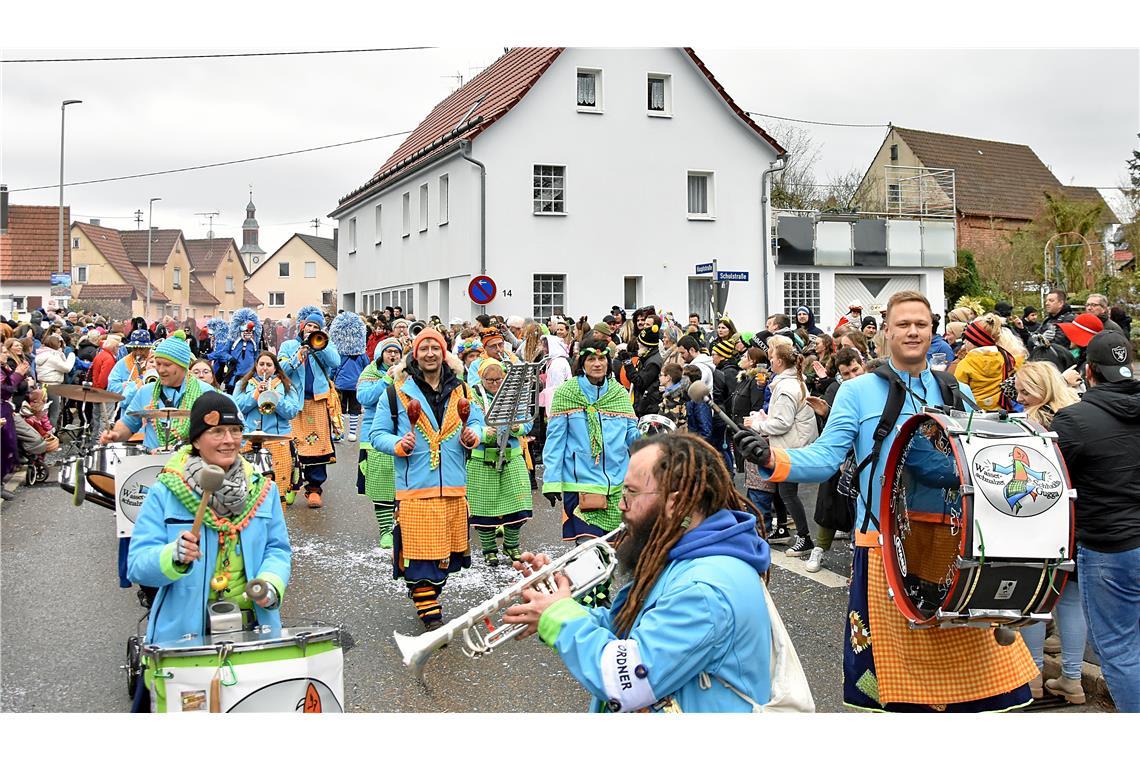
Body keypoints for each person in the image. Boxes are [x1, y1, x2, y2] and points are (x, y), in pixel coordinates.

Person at [735, 290, 1038, 711]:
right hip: (884, 545)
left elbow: (980, 466)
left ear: (932, 330)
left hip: (952, 546)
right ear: (886, 334)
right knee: (898, 699)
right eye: (903, 324)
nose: (912, 331)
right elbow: (825, 459)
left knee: (972, 692)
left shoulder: (958, 392)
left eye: (921, 324)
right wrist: (772, 457)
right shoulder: (857, 393)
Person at [502, 433, 775, 712]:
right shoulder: (687, 554)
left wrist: (559, 618)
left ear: (674, 502)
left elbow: (626, 680)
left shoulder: (701, 590)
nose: (621, 504)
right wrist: (556, 605)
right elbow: (632, 631)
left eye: (631, 492)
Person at [126, 393, 290, 709]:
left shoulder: (263, 490)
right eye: (217, 432)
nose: (229, 440)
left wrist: (271, 583)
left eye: (235, 431)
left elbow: (277, 549)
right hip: (184, 634)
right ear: (197, 440)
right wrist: (172, 556)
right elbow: (137, 563)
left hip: (254, 630)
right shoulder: (166, 490)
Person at [370, 327, 483, 630]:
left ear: (444, 352)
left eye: (435, 347)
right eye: (424, 348)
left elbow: (476, 421)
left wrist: (475, 435)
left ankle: (427, 596)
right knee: (420, 560)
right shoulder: (396, 391)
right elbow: (377, 433)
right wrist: (397, 444)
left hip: (454, 486)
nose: (430, 353)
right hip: (415, 488)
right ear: (415, 354)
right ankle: (430, 613)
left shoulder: (462, 389)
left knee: (444, 559)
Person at [1050, 331, 1140, 712]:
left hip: (1110, 548)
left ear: (1088, 371)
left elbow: (1052, 482)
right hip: (1117, 543)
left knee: (1120, 648)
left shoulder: (1075, 420)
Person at [1009, 361, 1087, 703]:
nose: (1020, 398)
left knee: (1034, 601)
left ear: (1043, 388)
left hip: (1040, 520)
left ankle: (1033, 679)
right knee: (1071, 602)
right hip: (1077, 520)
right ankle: (1072, 679)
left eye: (1026, 391)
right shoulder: (1079, 414)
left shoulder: (1030, 423)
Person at [543, 337, 640, 558]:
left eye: (602, 359)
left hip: (617, 484)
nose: (597, 364)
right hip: (581, 485)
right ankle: (586, 593)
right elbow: (555, 441)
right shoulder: (567, 393)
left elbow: (631, 436)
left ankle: (602, 592)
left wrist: (649, 438)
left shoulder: (618, 394)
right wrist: (551, 481)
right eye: (591, 359)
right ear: (582, 363)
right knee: (587, 552)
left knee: (612, 551)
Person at [746, 341, 819, 559]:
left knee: (787, 492)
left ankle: (804, 538)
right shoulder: (791, 382)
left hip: (791, 447)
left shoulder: (786, 388)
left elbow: (783, 423)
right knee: (781, 490)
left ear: (779, 361)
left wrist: (757, 425)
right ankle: (784, 530)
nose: (768, 360)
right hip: (792, 444)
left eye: (771, 357)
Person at [467, 359, 533, 566]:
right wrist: (484, 433)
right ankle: (488, 549)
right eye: (490, 380)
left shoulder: (513, 395)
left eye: (498, 379)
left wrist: (518, 429)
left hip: (511, 455)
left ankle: (512, 545)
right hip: (482, 457)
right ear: (481, 378)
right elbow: (465, 423)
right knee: (484, 506)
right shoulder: (471, 396)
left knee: (519, 503)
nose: (495, 384)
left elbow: (529, 421)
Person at [278, 306, 342, 509]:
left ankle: (314, 488)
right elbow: (281, 370)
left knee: (317, 445)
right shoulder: (289, 346)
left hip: (317, 401)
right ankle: (289, 486)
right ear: (301, 327)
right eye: (308, 326)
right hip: (294, 402)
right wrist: (299, 355)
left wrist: (319, 347)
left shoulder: (323, 344)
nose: (311, 329)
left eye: (316, 327)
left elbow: (335, 361)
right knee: (292, 446)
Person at [233, 351, 302, 506]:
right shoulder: (243, 384)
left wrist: (275, 398)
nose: (265, 368)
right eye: (261, 364)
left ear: (275, 368)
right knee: (248, 488)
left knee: (278, 489)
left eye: (269, 365)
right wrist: (255, 395)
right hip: (249, 440)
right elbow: (236, 407)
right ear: (256, 366)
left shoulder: (286, 385)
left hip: (278, 441)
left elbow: (292, 412)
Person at [357, 337, 403, 547]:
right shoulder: (370, 372)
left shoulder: (408, 373)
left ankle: (402, 527)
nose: (393, 355)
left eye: (396, 352)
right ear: (381, 354)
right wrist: (385, 380)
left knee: (405, 485)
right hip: (374, 437)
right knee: (382, 486)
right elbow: (364, 398)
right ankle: (385, 530)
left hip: (402, 435)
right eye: (389, 352)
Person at [953, 314, 1026, 411]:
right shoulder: (1005, 358)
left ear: (975, 341)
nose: (964, 342)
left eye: (967, 338)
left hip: (975, 412)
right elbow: (1018, 364)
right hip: (1001, 410)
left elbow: (958, 391)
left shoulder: (965, 364)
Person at [330, 311, 369, 443]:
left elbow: (334, 367)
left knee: (339, 409)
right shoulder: (362, 355)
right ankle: (352, 433)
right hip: (356, 385)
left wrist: (330, 379)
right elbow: (367, 368)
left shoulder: (339, 354)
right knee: (355, 410)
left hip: (340, 384)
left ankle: (338, 432)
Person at [108, 330, 153, 398]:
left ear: (149, 348)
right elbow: (111, 387)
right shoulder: (122, 363)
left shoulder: (157, 361)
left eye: (142, 349)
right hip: (128, 405)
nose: (138, 352)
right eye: (135, 348)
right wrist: (129, 385)